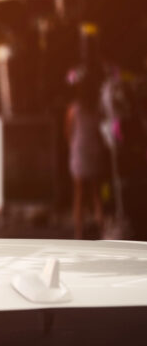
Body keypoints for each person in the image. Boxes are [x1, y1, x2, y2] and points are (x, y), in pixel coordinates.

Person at [66, 72, 107, 239]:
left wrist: (72, 145)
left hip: (79, 151)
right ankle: (101, 227)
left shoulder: (74, 109)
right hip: (94, 150)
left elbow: (68, 132)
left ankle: (79, 232)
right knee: (96, 192)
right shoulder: (97, 109)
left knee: (79, 194)